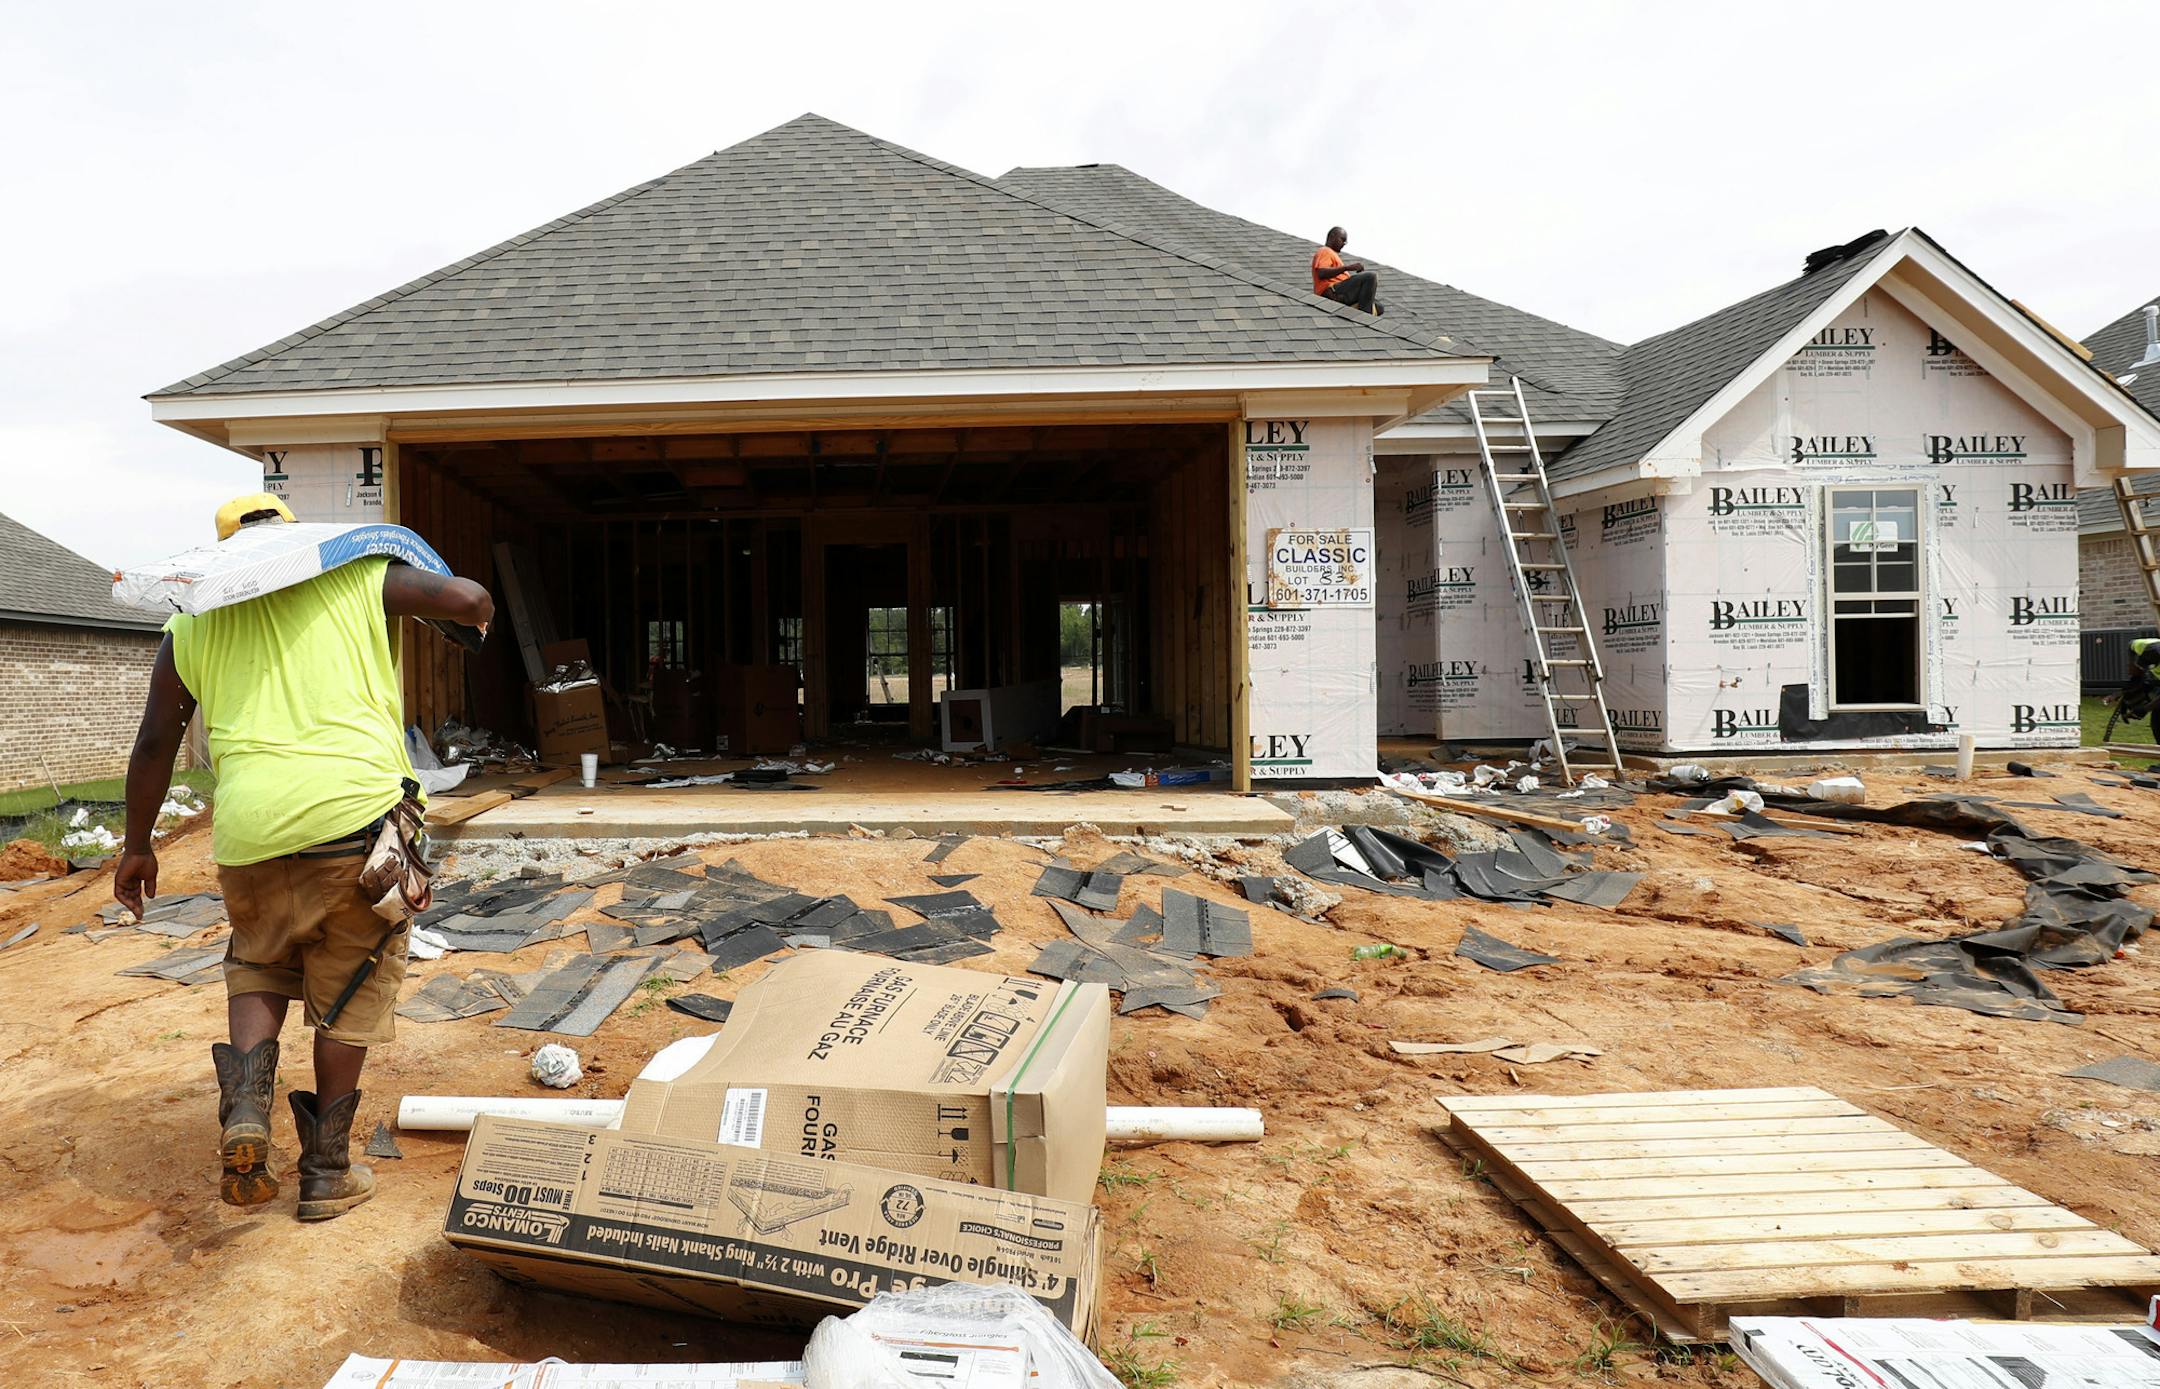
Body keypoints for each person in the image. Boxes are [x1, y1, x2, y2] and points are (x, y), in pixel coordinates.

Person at [117, 493, 494, 1219]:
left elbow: (155, 741)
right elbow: (467, 598)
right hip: (352, 821)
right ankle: (326, 1171)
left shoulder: (192, 621)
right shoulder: (355, 573)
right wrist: (449, 592)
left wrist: (137, 847)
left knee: (258, 960)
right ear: (294, 538)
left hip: (250, 834)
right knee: (350, 984)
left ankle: (247, 1111)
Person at [1312, 227, 1382, 315]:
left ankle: (1354, 311)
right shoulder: (1325, 251)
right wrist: (1347, 268)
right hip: (1332, 293)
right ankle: (1364, 317)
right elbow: (1321, 273)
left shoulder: (1334, 255)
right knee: (1370, 277)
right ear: (1332, 236)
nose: (1344, 243)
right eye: (1342, 239)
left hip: (1342, 294)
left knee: (1378, 306)